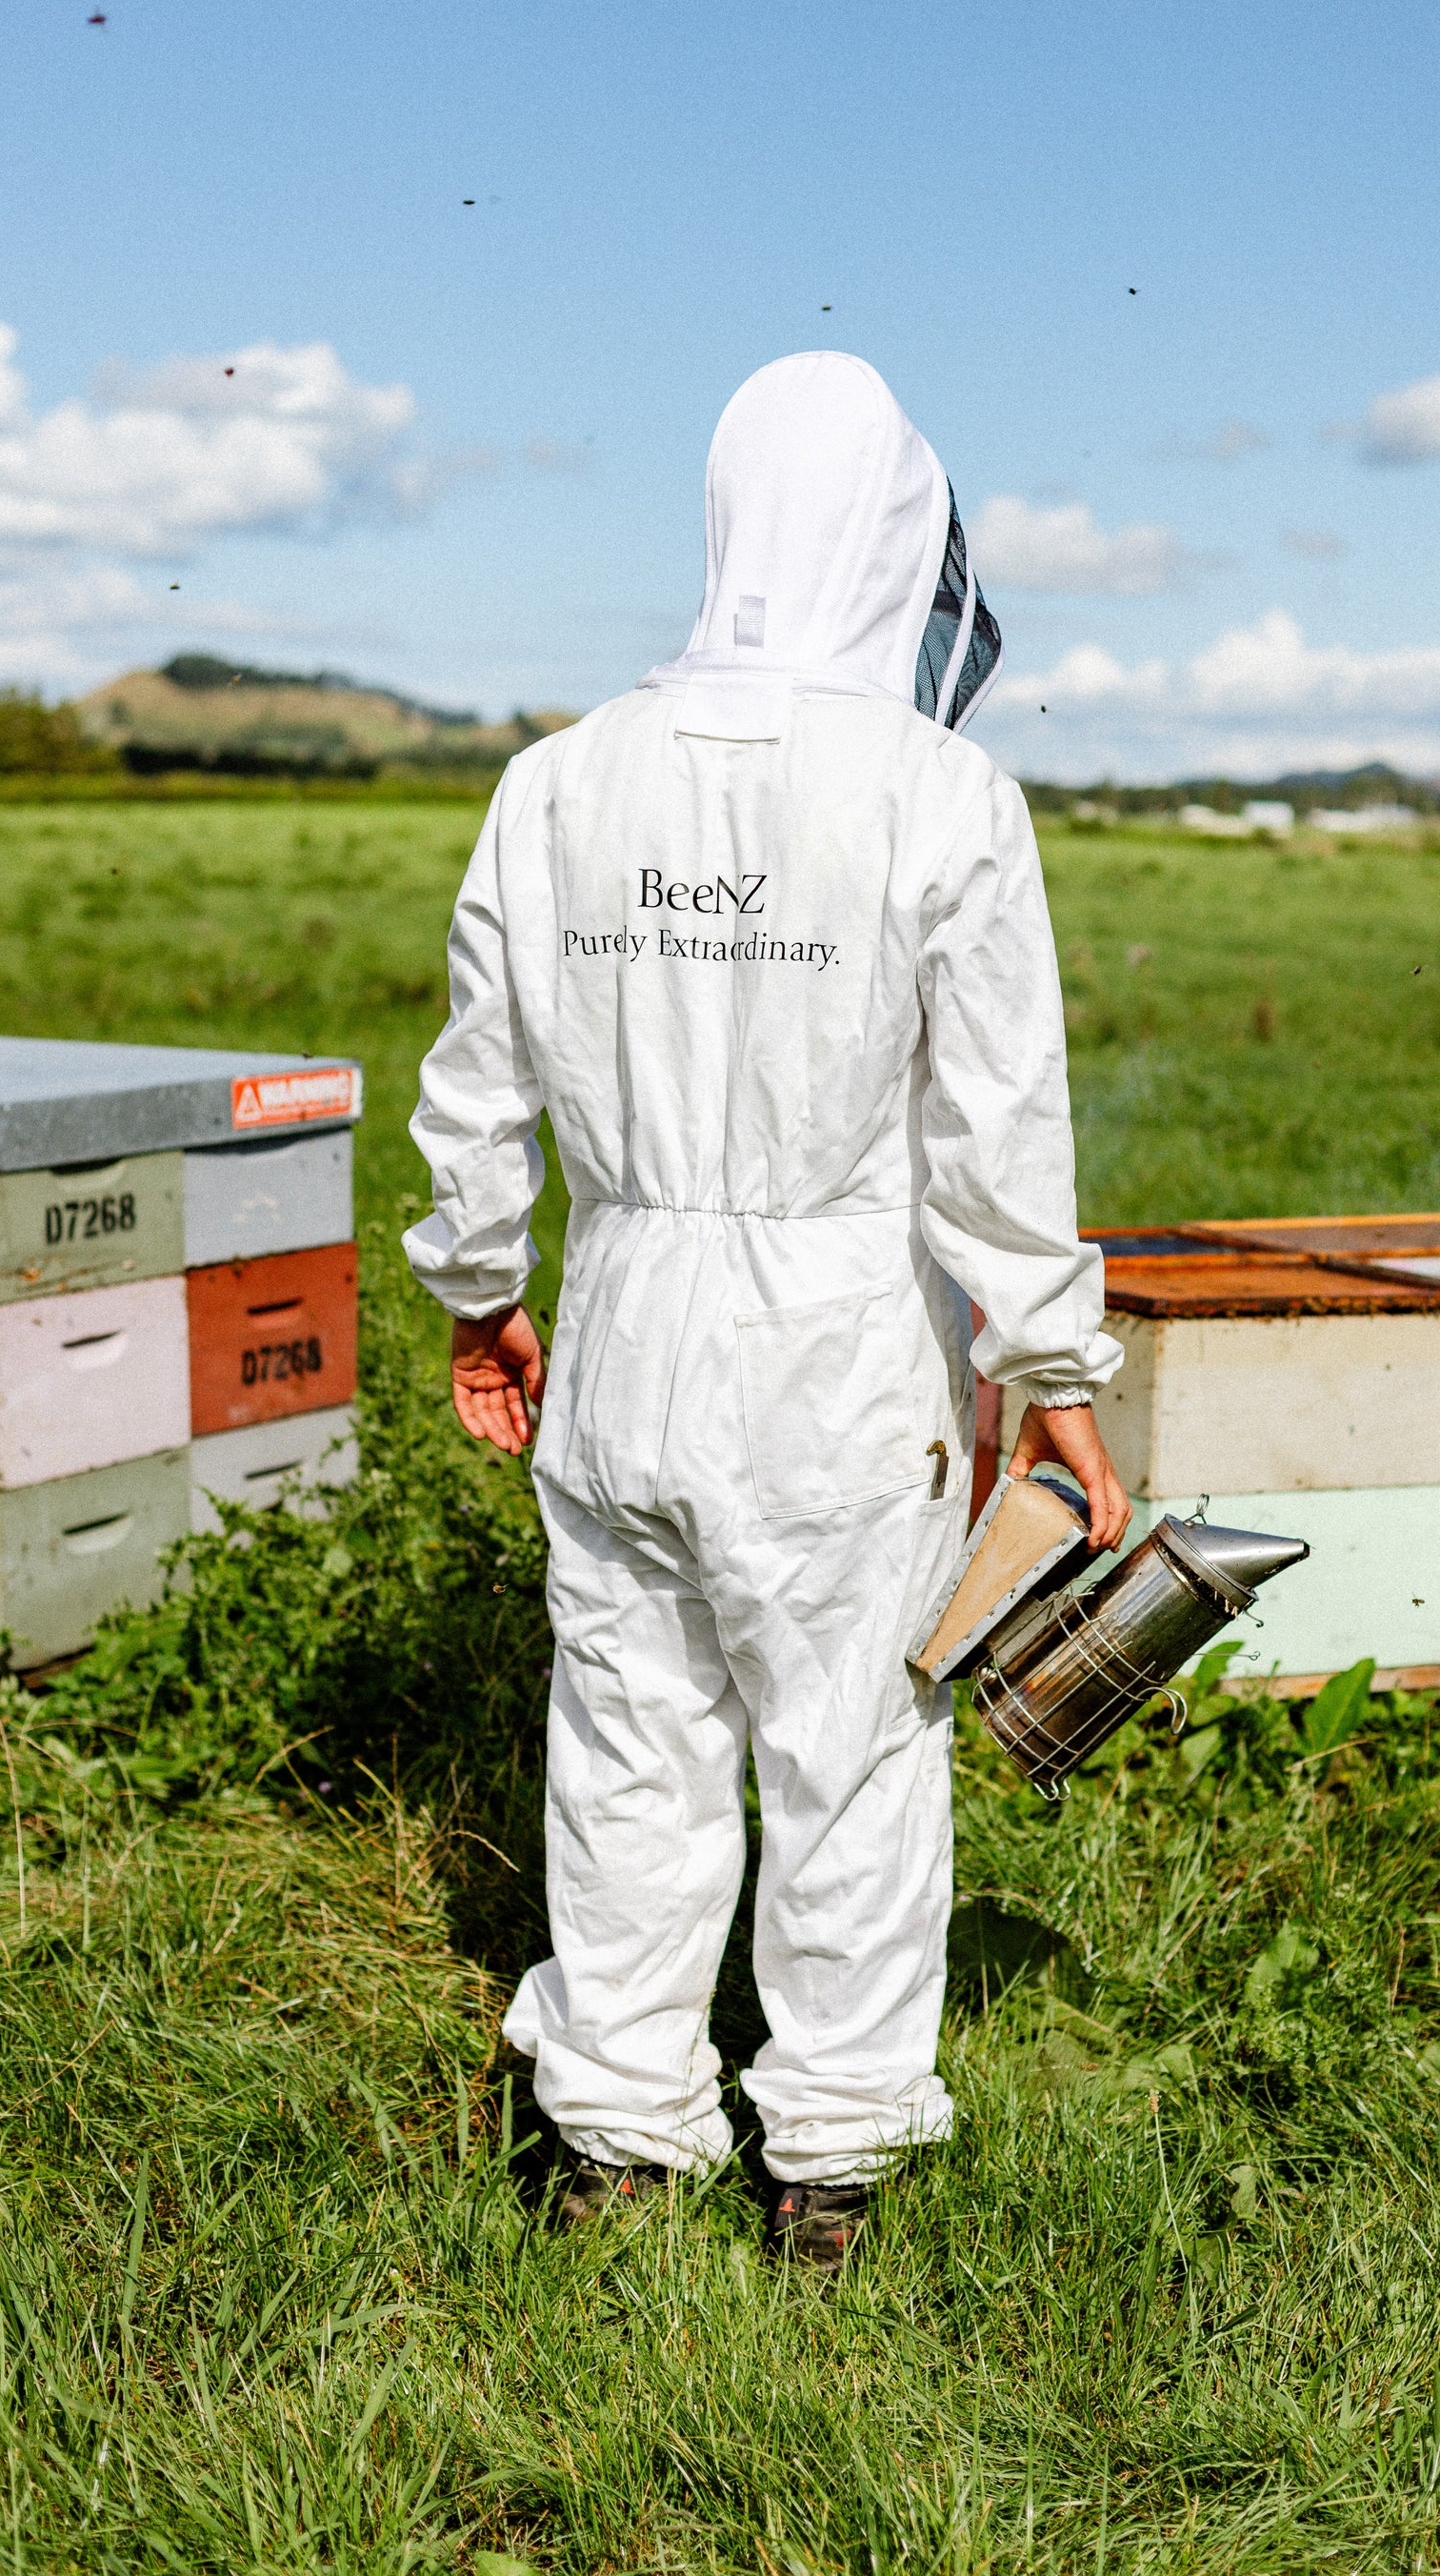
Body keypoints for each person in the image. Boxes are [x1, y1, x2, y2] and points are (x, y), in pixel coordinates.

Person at [404, 351, 1129, 2270]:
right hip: (835, 1348)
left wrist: (485, 1294)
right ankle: (829, 2155)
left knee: (629, 1742)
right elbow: (998, 1131)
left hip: (624, 1324)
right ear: (895, 541)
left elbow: (471, 1093)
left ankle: (620, 2136)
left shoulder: (557, 784)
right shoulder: (941, 792)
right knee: (851, 1756)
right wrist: (1051, 1372)